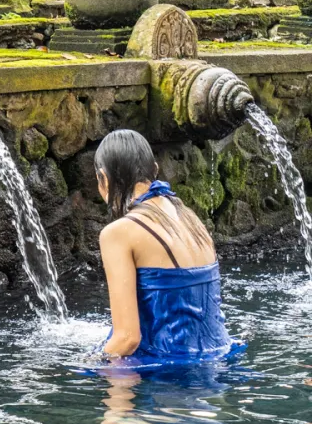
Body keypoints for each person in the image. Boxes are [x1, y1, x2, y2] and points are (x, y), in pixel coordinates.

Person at [94, 129, 240, 365]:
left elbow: (127, 339)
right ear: (154, 169)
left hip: (167, 373)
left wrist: (88, 363)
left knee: (104, 366)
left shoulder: (118, 233)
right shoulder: (190, 218)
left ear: (104, 178)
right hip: (220, 359)